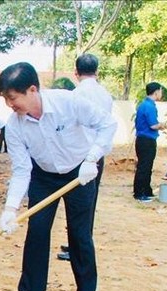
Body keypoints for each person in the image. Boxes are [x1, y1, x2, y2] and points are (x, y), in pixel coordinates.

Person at [0, 62, 117, 291]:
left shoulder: (68, 102)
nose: (9, 105)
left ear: (31, 90)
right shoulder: (15, 125)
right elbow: (21, 169)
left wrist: (92, 158)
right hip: (44, 175)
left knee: (80, 235)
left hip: (79, 172)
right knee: (37, 232)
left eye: (12, 98)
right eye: (6, 99)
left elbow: (107, 124)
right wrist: (10, 209)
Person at [57, 53, 113, 262]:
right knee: (88, 202)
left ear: (76, 72)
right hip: (97, 155)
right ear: (97, 71)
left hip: (80, 156)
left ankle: (77, 247)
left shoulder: (76, 94)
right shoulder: (105, 94)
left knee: (77, 206)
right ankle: (77, 243)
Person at [132, 82, 166, 202]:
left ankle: (146, 190)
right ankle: (139, 193)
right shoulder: (149, 106)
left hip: (144, 140)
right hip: (146, 140)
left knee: (146, 166)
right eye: (161, 91)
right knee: (144, 167)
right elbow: (153, 125)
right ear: (156, 92)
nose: (161, 94)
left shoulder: (145, 104)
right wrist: (162, 125)